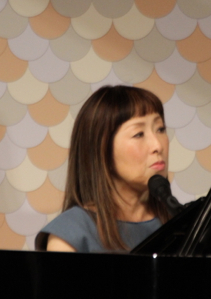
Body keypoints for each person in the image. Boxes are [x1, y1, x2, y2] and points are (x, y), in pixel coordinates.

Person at [34, 85, 172, 252]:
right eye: (139, 134)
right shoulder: (70, 234)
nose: (158, 145)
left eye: (160, 129)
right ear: (102, 150)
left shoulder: (183, 225)